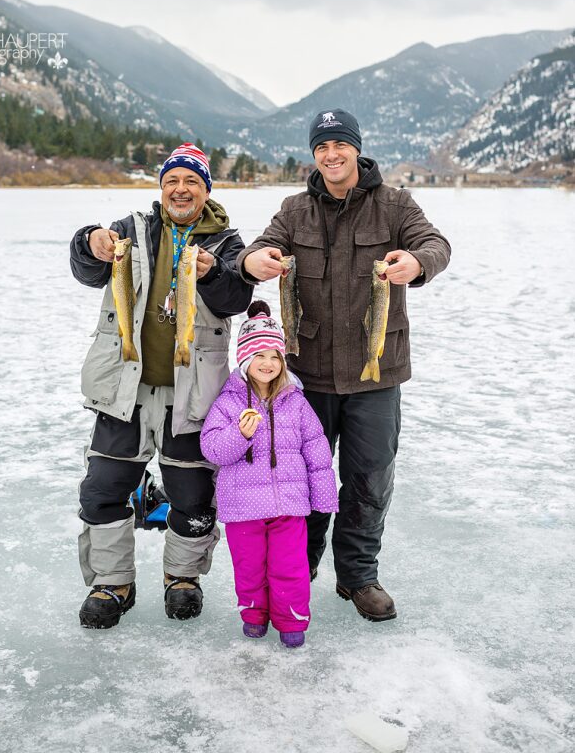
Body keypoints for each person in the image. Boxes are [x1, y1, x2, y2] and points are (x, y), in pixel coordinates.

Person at [237, 110, 451, 622]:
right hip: (306, 374)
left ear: (356, 149)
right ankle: (300, 569)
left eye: (340, 145)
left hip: (377, 372)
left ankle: (357, 576)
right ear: (314, 154)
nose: (331, 155)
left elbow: (436, 244)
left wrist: (417, 264)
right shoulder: (294, 209)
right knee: (303, 476)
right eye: (321, 147)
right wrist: (254, 262)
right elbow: (256, 248)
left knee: (368, 479)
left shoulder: (395, 203)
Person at [70, 143, 253, 628]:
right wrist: (89, 241)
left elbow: (237, 296)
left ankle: (183, 577)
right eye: (173, 180)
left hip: (193, 394)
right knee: (104, 488)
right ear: (161, 187)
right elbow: (87, 269)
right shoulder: (131, 229)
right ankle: (113, 584)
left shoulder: (226, 243)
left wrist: (214, 274)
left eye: (192, 181)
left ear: (206, 190)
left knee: (192, 493)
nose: (181, 189)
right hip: (123, 388)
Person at [200, 301, 338, 648]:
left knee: (290, 568)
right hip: (243, 508)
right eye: (260, 356)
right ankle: (254, 616)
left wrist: (322, 496)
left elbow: (316, 448)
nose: (268, 364)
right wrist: (240, 434)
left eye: (275, 357)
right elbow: (213, 449)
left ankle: (291, 622)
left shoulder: (296, 401)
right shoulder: (229, 402)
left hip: (288, 507)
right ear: (246, 361)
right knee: (250, 568)